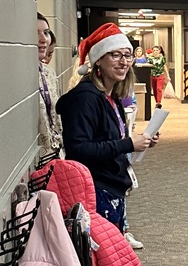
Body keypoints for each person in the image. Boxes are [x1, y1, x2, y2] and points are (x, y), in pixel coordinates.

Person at [56, 23, 157, 231]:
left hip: (112, 190)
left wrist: (140, 141)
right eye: (116, 55)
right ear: (99, 60)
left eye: (128, 56)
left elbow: (108, 139)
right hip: (95, 192)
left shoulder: (110, 96)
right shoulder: (85, 98)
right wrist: (127, 144)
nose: (124, 62)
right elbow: (79, 149)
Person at [37, 13, 63, 155]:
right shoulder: (19, 73)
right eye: (35, 33)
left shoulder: (49, 73)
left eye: (46, 33)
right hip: (39, 155)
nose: (43, 39)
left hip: (56, 150)